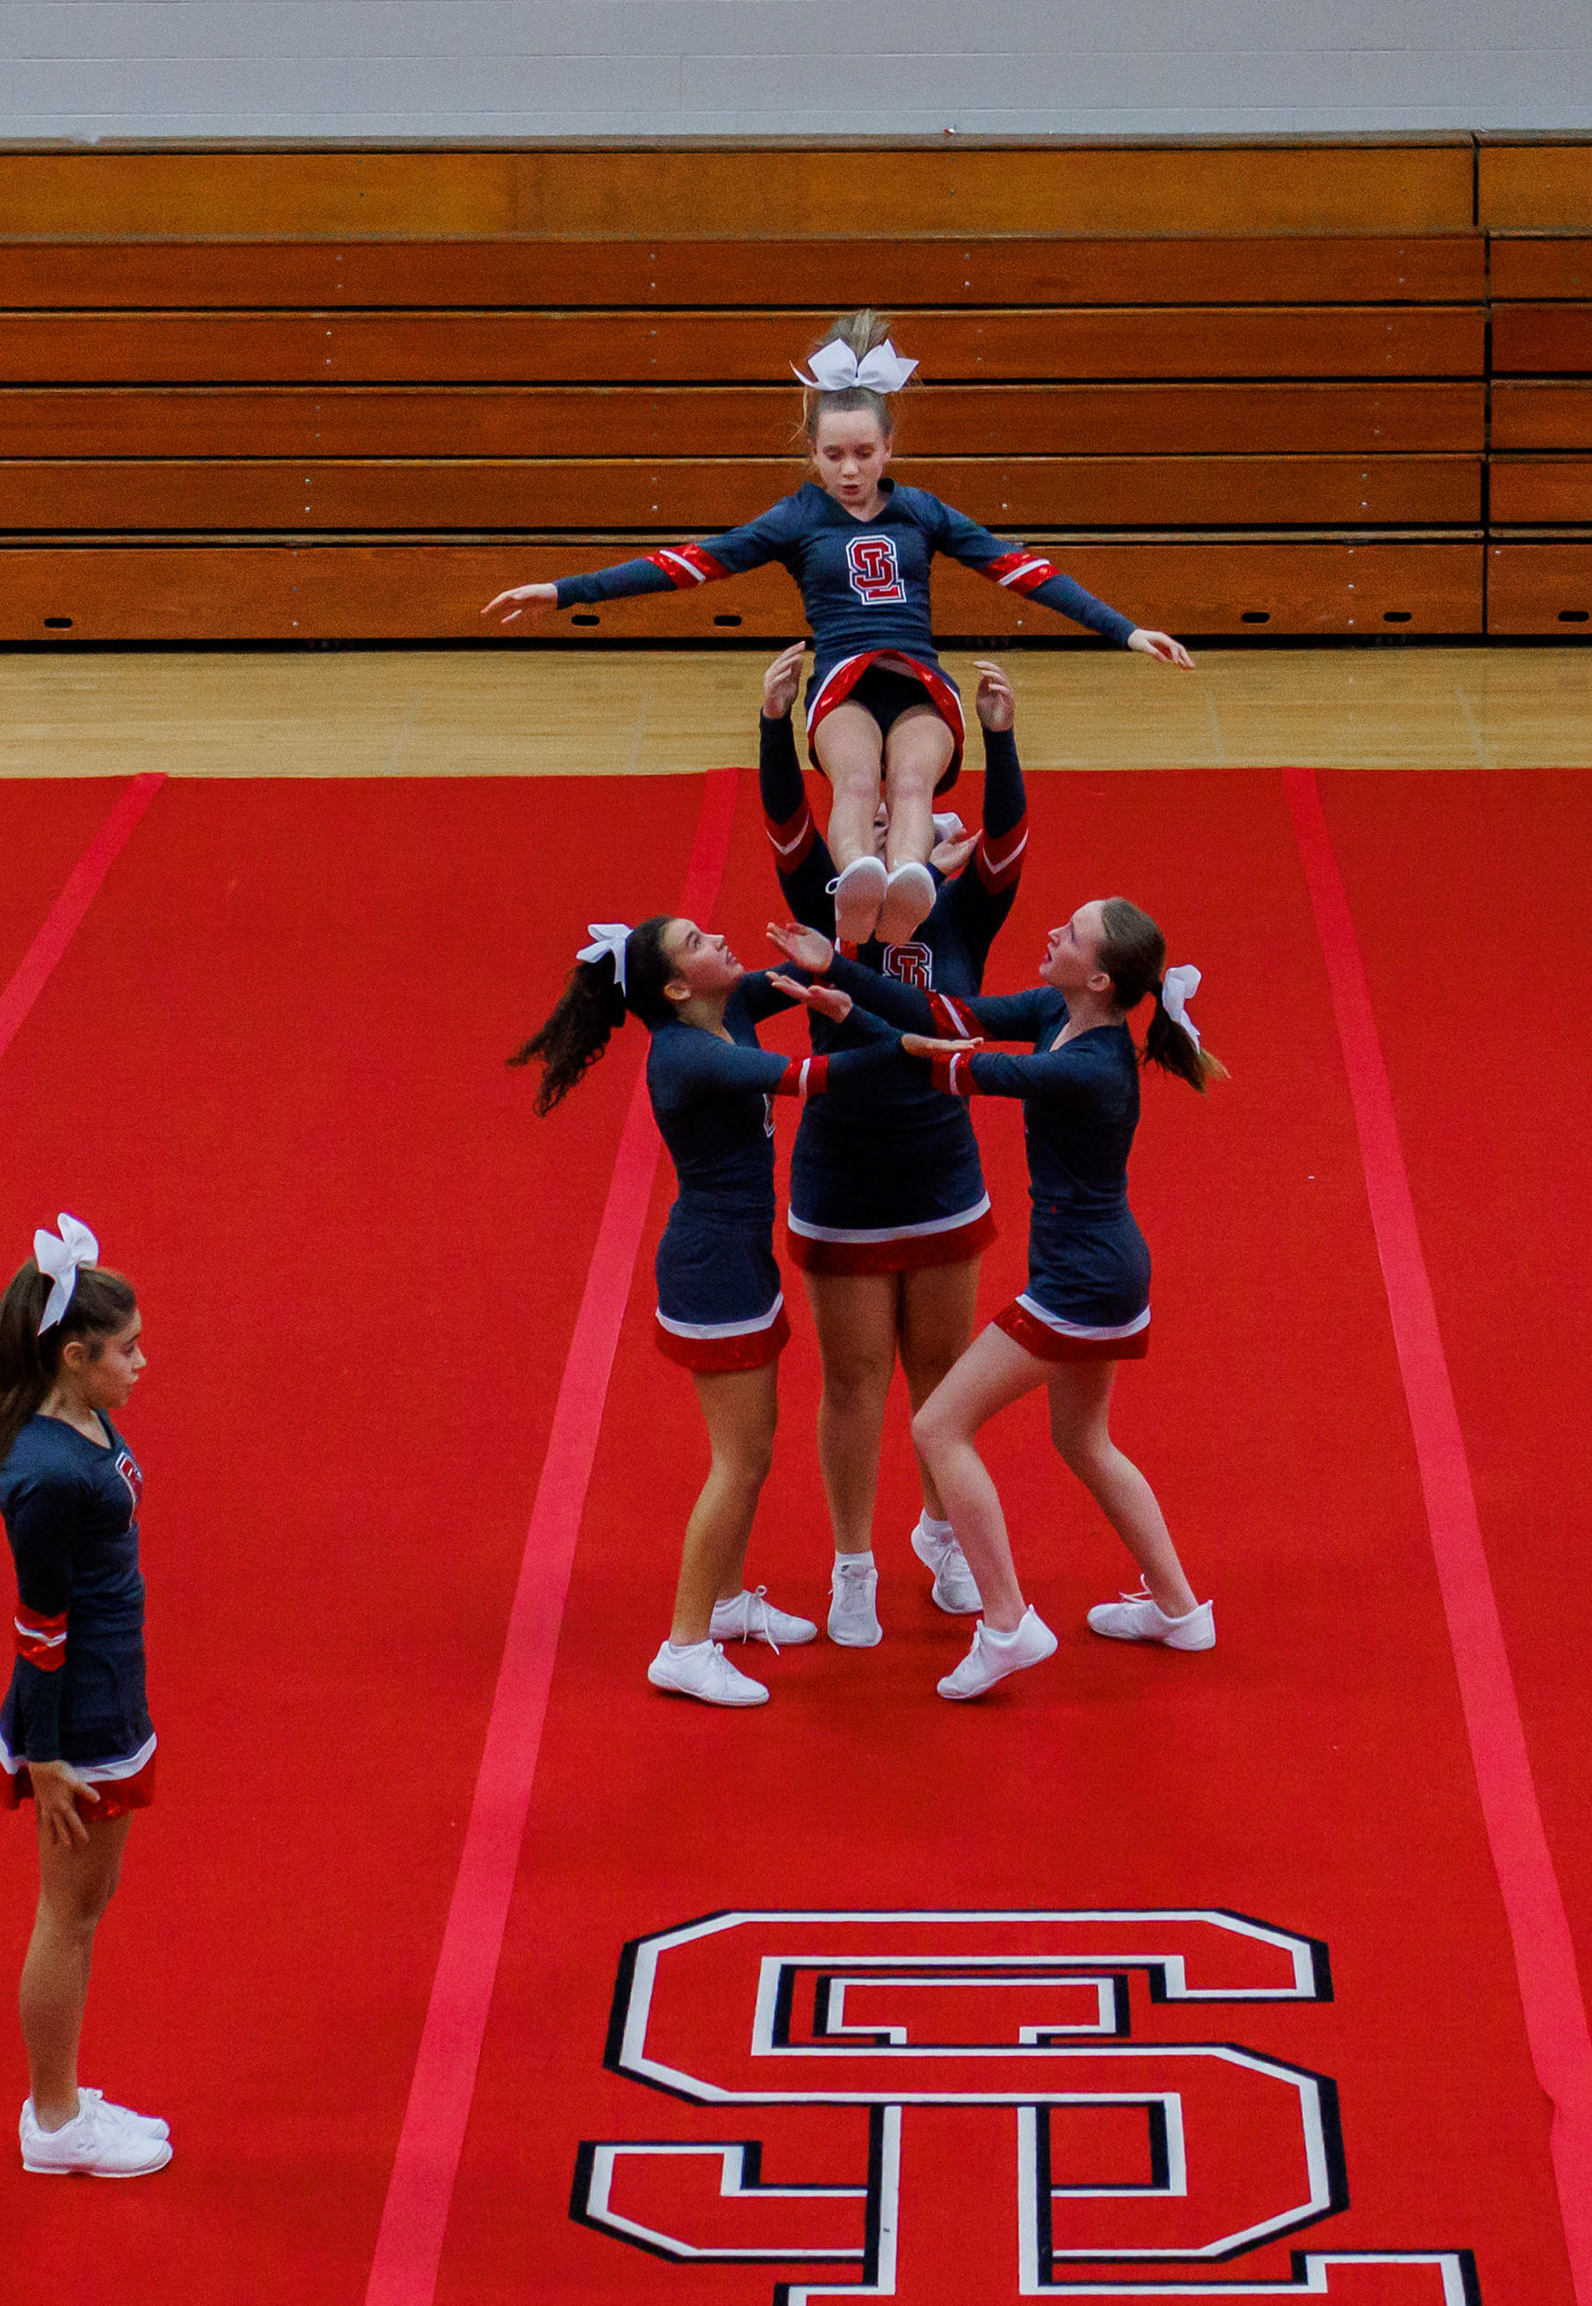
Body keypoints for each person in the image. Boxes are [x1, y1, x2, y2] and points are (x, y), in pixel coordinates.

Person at [483, 310, 1191, 949]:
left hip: (917, 680)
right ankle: (855, 884)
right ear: (812, 453)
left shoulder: (922, 512)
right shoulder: (797, 517)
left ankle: (909, 882)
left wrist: (1126, 631)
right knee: (853, 781)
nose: (849, 471)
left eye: (863, 453)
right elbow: (689, 564)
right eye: (833, 456)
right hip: (842, 685)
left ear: (888, 447)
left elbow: (1023, 571)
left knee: (910, 783)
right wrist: (565, 591)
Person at [770, 901, 1222, 1701]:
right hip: (1104, 1271)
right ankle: (1181, 1611)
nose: (1053, 933)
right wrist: (840, 969)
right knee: (1084, 1440)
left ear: (1099, 979)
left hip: (1080, 1285)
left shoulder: (1089, 1068)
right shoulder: (1056, 1010)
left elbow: (947, 1068)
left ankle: (1008, 1622)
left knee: (939, 1426)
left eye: (1072, 935)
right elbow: (950, 1016)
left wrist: (849, 1014)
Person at [511, 916, 896, 1704]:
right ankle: (683, 1646)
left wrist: (848, 937)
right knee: (740, 1461)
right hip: (712, 1270)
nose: (717, 940)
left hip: (738, 1260)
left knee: (754, 1450)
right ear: (677, 988)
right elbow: (807, 1078)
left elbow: (808, 975)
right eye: (695, 944)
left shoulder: (732, 1005)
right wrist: (907, 1050)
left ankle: (725, 1604)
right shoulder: (685, 1053)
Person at [755, 640, 1029, 1646]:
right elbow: (786, 824)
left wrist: (999, 740)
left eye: (890, 817)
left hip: (939, 1165)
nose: (875, 821)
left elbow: (1010, 839)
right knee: (854, 1378)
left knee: (942, 1368)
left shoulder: (962, 917)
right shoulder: (820, 909)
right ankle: (852, 1564)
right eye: (861, 816)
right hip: (843, 1168)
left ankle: (942, 1535)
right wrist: (774, 726)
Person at [0, 1215, 171, 2177]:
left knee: (90, 1902)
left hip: (108, 1687)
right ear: (74, 1358)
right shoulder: (44, 1476)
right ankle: (54, 2120)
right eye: (126, 1351)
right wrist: (45, 1759)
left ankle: (64, 2098)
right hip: (78, 1717)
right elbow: (39, 1630)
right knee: (68, 1915)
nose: (142, 1364)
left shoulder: (79, 1417)